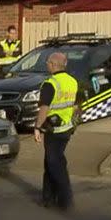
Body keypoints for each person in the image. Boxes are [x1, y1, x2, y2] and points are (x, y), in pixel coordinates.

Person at [34, 52, 78, 211]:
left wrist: (37, 127)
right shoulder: (72, 81)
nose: (47, 65)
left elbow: (44, 108)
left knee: (55, 163)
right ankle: (48, 197)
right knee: (51, 161)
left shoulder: (50, 83)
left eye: (47, 62)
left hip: (53, 130)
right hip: (66, 128)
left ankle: (65, 198)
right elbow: (76, 105)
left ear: (53, 64)